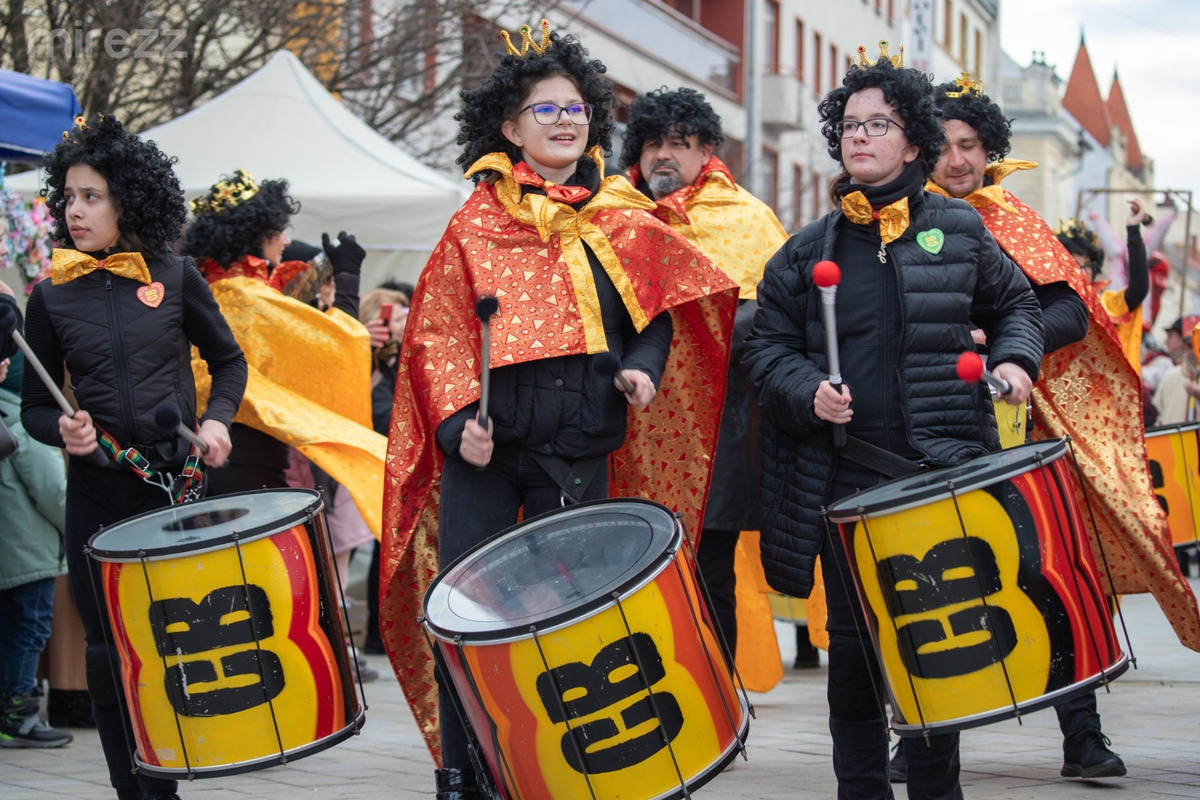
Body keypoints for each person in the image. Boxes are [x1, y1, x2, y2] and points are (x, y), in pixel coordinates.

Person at [377, 20, 737, 799]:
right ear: (510, 128)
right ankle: (464, 773)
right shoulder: (474, 223)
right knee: (465, 617)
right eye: (546, 109)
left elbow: (654, 317)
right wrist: (455, 427)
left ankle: (567, 770)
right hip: (488, 458)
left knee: (573, 618)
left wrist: (641, 370)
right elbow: (437, 336)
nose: (566, 120)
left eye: (576, 108)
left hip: (578, 455)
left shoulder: (621, 217)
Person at [743, 45, 1044, 799]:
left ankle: (937, 791)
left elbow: (1018, 304)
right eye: (849, 124)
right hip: (845, 481)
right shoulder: (804, 252)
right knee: (853, 657)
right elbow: (764, 348)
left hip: (937, 477)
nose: (859, 136)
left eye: (878, 124)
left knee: (936, 651)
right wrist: (807, 390)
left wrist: (1016, 362)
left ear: (913, 143)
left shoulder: (960, 230)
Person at [923, 73, 1200, 782]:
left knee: (1047, 574)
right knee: (936, 584)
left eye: (969, 144)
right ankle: (922, 747)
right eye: (944, 144)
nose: (957, 159)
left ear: (989, 150)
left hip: (1014, 430)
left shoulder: (1012, 219)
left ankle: (1083, 736)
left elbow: (1074, 311)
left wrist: (1006, 345)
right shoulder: (890, 222)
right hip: (918, 431)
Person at [20, 114, 247, 800]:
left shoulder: (175, 276)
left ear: (128, 200)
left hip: (174, 489)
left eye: (91, 196)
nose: (74, 210)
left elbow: (230, 361)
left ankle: (169, 780)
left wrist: (217, 421)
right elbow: (34, 408)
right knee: (106, 650)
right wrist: (64, 431)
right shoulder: (49, 295)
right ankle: (133, 790)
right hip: (98, 493)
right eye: (68, 196)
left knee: (175, 640)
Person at [619, 86, 788, 661]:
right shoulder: (612, 215)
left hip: (714, 431)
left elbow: (773, 317)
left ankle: (720, 690)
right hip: (628, 431)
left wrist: (694, 335)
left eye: (678, 143)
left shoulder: (746, 218)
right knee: (629, 572)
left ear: (706, 150)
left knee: (709, 571)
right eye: (652, 144)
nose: (663, 155)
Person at [0, 321, 73, 749]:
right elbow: (52, 491)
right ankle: (20, 716)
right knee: (29, 631)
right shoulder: (23, 419)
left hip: (9, 553)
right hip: (31, 553)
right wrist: (76, 526)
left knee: (8, 631)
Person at [1057, 212, 1150, 372]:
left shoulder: (1104, 305)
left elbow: (1138, 289)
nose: (1082, 271)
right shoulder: (1044, 303)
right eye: (1075, 265)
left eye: (1087, 266)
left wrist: (1133, 229)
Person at [1153, 316, 1200, 424]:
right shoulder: (1170, 376)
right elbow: (1158, 417)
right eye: (1191, 346)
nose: (1195, 351)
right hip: (1175, 435)